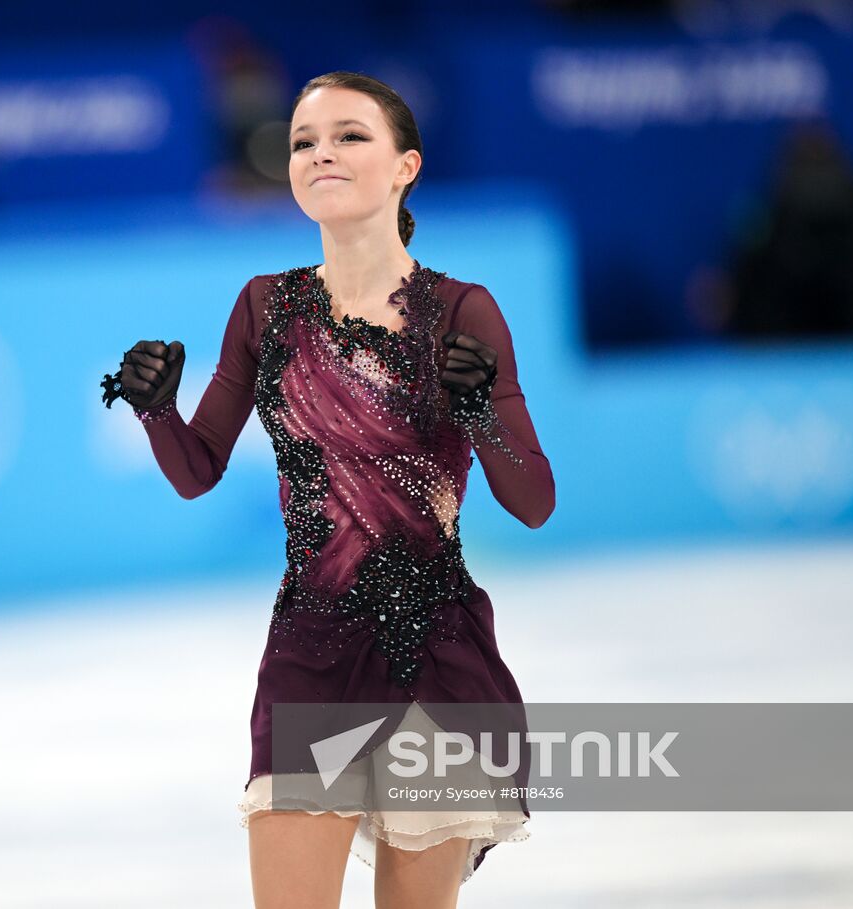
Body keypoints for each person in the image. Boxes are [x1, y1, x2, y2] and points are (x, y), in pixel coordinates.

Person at [100, 71, 554, 908]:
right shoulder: (266, 308)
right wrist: (159, 411)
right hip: (310, 656)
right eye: (304, 141)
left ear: (405, 166)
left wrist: (482, 414)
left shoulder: (463, 311)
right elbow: (198, 471)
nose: (321, 154)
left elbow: (533, 502)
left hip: (436, 661)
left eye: (349, 135)